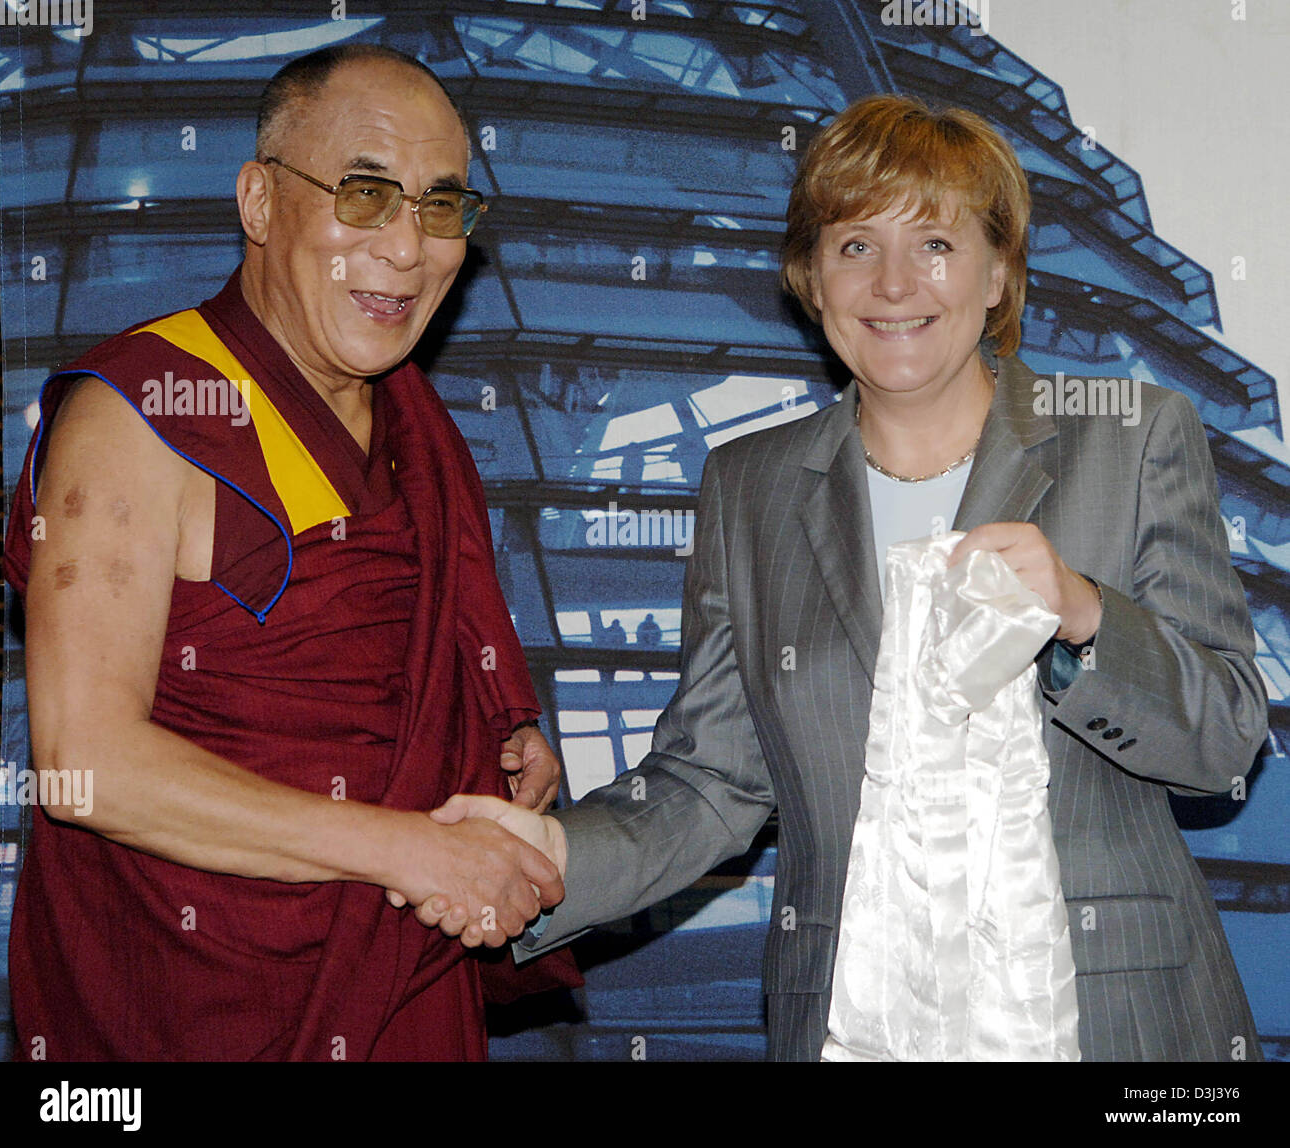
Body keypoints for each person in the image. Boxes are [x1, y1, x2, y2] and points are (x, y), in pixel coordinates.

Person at [428, 95, 1268, 1062]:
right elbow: (711, 781)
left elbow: (1229, 738)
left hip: (1115, 1029)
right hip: (857, 1022)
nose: (894, 282)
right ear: (809, 278)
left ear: (999, 274)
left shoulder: (1132, 435)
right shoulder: (748, 486)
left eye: (938, 246)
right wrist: (546, 858)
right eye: (856, 245)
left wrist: (1085, 619)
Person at [2, 44, 569, 1062]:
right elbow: (86, 764)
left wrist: (496, 731)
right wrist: (411, 848)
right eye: (364, 194)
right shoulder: (143, 413)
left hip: (393, 980)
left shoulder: (414, 424)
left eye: (441, 206)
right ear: (259, 203)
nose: (405, 246)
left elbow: (410, 667)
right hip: (189, 1001)